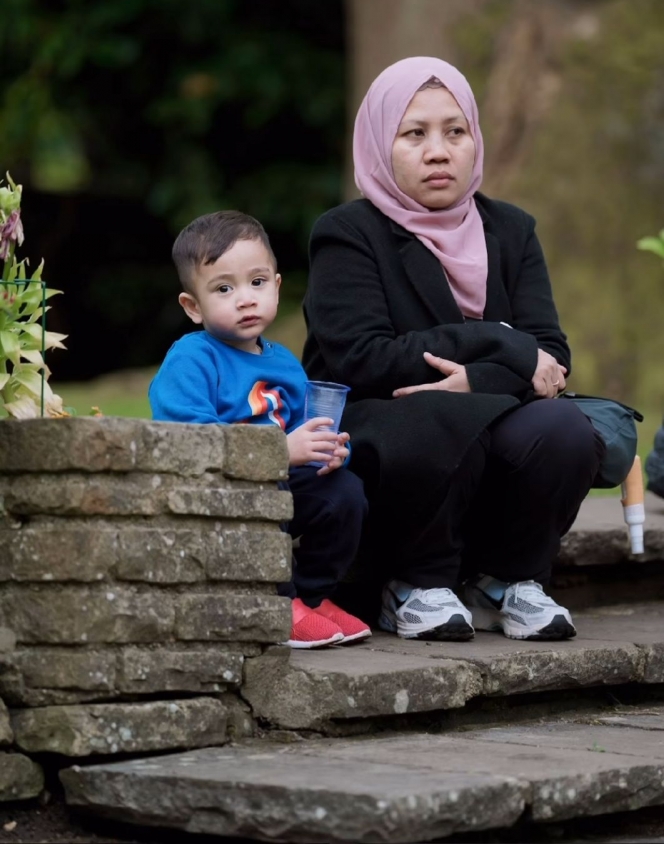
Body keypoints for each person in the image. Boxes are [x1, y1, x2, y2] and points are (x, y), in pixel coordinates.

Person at [302, 57, 605, 643]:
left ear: (475, 141)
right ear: (379, 145)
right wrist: (496, 340)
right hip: (384, 429)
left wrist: (478, 380)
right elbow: (362, 358)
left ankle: (510, 581)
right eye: (414, 134)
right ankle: (415, 584)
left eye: (455, 131)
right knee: (441, 417)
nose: (438, 151)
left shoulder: (511, 230)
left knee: (563, 428)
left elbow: (551, 355)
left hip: (478, 420)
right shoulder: (347, 233)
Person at [149, 210, 370, 649]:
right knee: (267, 499)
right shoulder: (193, 359)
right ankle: (276, 604)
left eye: (257, 282)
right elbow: (190, 442)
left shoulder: (284, 360)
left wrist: (325, 447)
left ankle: (312, 594)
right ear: (193, 306)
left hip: (281, 483)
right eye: (224, 288)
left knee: (345, 494)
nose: (246, 299)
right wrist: (278, 452)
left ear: (277, 285)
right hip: (222, 493)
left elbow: (300, 426)